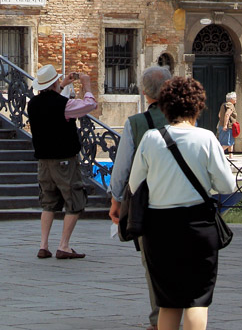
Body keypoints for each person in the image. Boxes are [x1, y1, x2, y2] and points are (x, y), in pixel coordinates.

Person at [129, 77, 235, 330]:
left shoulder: (151, 139)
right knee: (197, 300)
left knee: (168, 302)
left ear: (165, 106)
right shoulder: (207, 138)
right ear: (197, 107)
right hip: (199, 225)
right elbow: (227, 187)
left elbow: (134, 186)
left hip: (159, 227)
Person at [109, 65, 171, 330]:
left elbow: (123, 168)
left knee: (154, 263)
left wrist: (116, 201)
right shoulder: (190, 121)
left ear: (146, 94)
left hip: (149, 204)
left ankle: (160, 319)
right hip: (186, 203)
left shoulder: (136, 124)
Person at [27, 65, 97, 260]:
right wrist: (87, 85)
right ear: (55, 83)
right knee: (74, 201)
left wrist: (64, 83)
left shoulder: (32, 104)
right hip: (64, 160)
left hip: (43, 161)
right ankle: (64, 245)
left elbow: (51, 99)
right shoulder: (64, 105)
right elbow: (90, 105)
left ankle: (43, 245)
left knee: (48, 203)